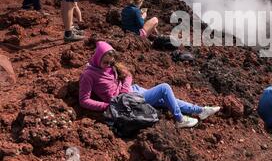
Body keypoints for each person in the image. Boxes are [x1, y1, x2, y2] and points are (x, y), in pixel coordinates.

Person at [79, 41, 221, 128]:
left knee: (164, 99)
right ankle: (180, 119)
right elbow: (84, 101)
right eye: (105, 63)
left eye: (110, 62)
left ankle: (200, 111)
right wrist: (108, 106)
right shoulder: (89, 75)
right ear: (97, 58)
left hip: (130, 92)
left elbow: (127, 74)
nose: (108, 65)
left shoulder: (109, 64)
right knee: (164, 88)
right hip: (124, 103)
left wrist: (124, 88)